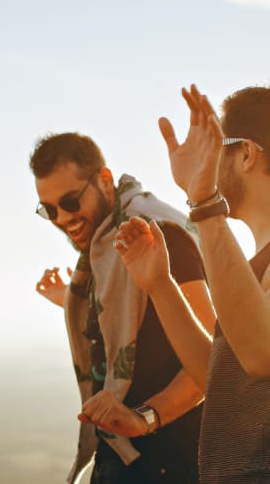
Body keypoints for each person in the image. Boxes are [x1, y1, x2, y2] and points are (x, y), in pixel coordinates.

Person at [30, 133, 215, 483]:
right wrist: (71, 300)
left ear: (104, 180)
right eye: (49, 209)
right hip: (120, 458)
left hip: (170, 462)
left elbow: (211, 361)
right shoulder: (104, 249)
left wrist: (145, 418)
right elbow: (137, 324)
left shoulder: (158, 234)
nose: (61, 218)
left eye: (69, 201)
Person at [115, 84, 270, 482]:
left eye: (217, 149)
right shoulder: (253, 266)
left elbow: (260, 353)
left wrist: (204, 202)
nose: (208, 163)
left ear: (247, 153)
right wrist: (161, 287)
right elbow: (221, 381)